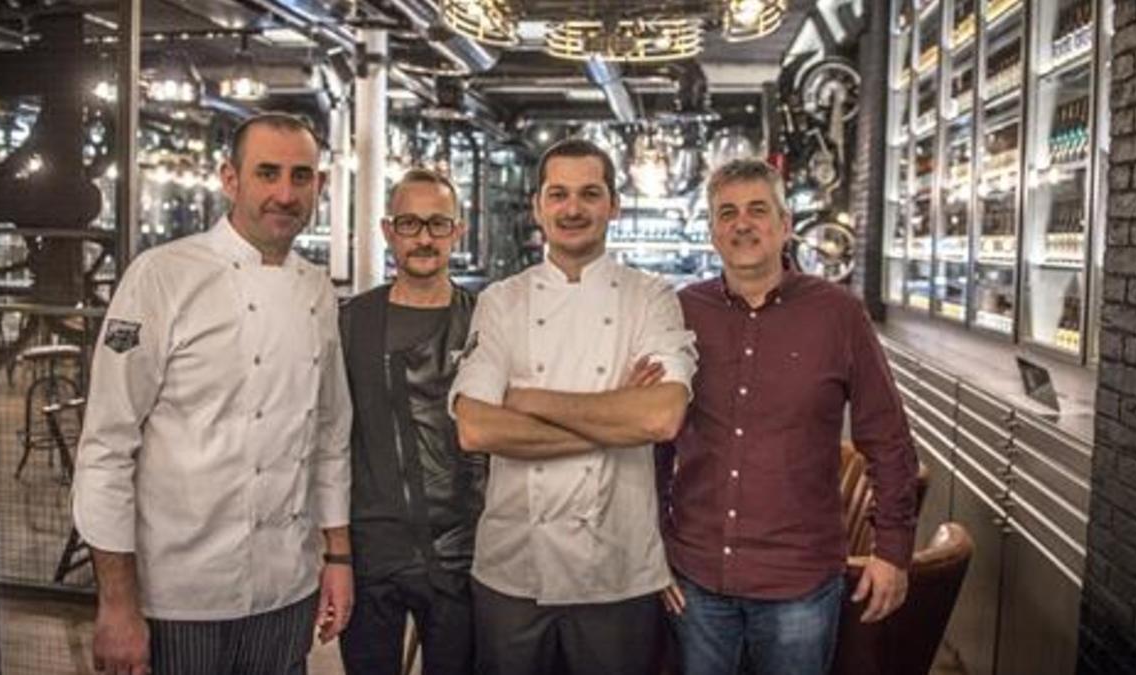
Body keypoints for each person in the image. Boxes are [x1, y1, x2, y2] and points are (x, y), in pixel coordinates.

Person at [72, 112, 354, 675]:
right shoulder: (162, 275)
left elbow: (329, 435)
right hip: (180, 595)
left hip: (286, 586)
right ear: (230, 178)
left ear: (319, 186)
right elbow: (106, 448)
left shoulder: (316, 288)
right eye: (267, 173)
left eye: (301, 177)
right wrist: (117, 604)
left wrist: (337, 557)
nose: (284, 193)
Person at [658, 157, 919, 675]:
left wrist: (893, 550)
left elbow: (887, 438)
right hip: (696, 575)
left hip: (798, 581)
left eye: (758, 209)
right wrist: (651, 545)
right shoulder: (679, 312)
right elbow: (652, 444)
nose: (742, 223)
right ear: (712, 231)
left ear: (785, 225)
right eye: (727, 213)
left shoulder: (838, 314)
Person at [449, 138, 698, 675]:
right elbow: (475, 428)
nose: (573, 208)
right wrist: (617, 418)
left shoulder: (651, 298)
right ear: (538, 206)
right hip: (513, 565)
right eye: (558, 194)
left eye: (589, 193)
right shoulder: (501, 301)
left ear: (614, 205)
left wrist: (529, 400)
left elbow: (661, 417)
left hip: (618, 567)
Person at [337, 168, 486, 674]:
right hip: (369, 546)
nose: (424, 237)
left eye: (438, 224)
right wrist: (333, 549)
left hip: (463, 549)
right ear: (387, 231)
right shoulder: (351, 320)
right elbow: (327, 436)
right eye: (409, 223)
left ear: (458, 231)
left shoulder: (486, 319)